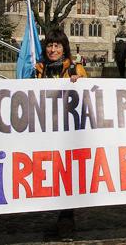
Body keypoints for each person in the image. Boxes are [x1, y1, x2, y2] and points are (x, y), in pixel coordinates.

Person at [33, 28, 86, 239]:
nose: (53, 50)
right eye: (50, 45)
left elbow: (87, 93)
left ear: (64, 49)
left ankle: (66, 220)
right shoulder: (37, 69)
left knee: (67, 175)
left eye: (57, 46)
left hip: (67, 132)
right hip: (44, 128)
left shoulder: (75, 68)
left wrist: (78, 81)